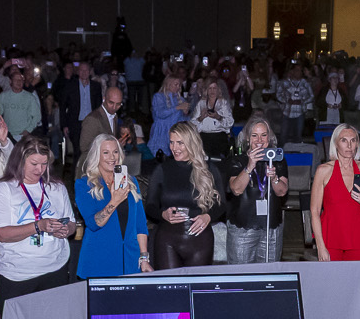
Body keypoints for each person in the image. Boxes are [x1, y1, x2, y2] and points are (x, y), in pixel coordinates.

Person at [0, 137, 81, 302]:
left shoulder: (57, 187)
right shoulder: (4, 189)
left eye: (44, 164)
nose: (40, 169)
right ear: (19, 161)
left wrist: (66, 229)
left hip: (55, 269)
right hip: (17, 274)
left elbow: (72, 223)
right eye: (34, 164)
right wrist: (38, 226)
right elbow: (2, 234)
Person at [75, 132, 150, 279]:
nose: (112, 157)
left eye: (115, 152)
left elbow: (140, 224)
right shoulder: (84, 185)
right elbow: (94, 223)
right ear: (97, 155)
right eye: (106, 152)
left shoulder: (131, 182)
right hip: (99, 261)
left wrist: (144, 258)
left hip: (130, 261)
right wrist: (114, 201)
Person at [146, 124, 222, 269]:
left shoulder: (209, 169)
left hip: (200, 239)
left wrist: (208, 216)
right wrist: (163, 214)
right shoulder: (162, 169)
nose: (174, 148)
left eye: (180, 143)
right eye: (171, 142)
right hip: (167, 239)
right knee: (169, 282)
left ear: (191, 142)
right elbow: (150, 206)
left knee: (197, 283)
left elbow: (222, 204)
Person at [225, 116, 290, 265]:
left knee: (270, 275)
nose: (259, 140)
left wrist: (274, 178)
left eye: (263, 135)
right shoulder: (237, 160)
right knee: (241, 275)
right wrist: (250, 166)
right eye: (254, 135)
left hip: (271, 228)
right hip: (242, 229)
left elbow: (282, 192)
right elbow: (236, 189)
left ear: (269, 137)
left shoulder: (277, 160)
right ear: (248, 138)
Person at [311, 123, 360, 262]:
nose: (349, 145)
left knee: (357, 276)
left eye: (353, 140)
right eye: (344, 140)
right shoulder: (323, 170)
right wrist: (320, 246)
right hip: (330, 237)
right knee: (332, 276)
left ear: (357, 144)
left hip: (358, 237)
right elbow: (314, 211)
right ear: (336, 143)